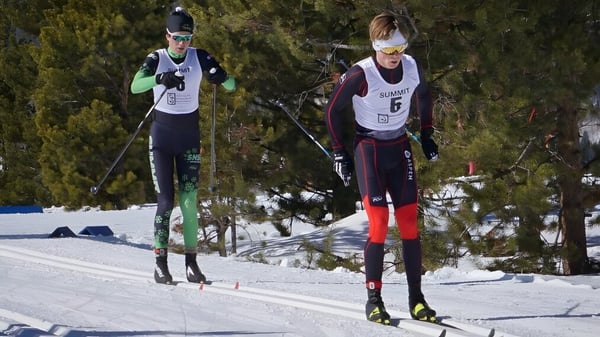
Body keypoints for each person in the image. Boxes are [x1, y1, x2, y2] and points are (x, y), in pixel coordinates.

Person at [324, 11, 439, 324]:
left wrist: (427, 133)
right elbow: (333, 110)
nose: (395, 57)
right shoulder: (361, 74)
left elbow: (425, 96)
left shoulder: (411, 66)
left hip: (399, 148)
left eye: (399, 49)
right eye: (388, 51)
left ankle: (417, 299)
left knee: (409, 224)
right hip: (369, 150)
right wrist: (339, 153)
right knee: (378, 222)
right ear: (376, 46)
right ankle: (373, 300)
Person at [130, 7, 236, 284]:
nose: (182, 43)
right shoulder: (157, 58)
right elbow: (135, 86)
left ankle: (191, 263)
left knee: (189, 203)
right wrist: (159, 78)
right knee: (165, 202)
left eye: (187, 38)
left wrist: (220, 77)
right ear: (167, 36)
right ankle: (160, 264)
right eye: (177, 37)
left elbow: (232, 85)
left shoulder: (199, 56)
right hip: (162, 139)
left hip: (189, 138)